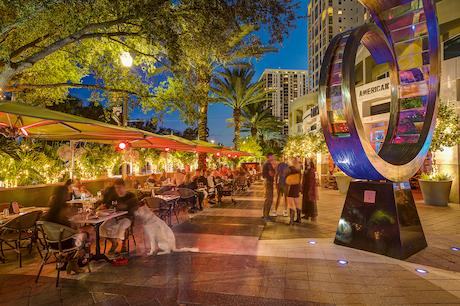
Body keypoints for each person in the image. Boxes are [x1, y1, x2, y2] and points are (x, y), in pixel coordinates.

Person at [46, 186, 94, 273]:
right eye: (68, 192)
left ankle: (72, 260)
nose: (70, 193)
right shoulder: (64, 209)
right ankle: (75, 259)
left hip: (52, 242)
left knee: (87, 231)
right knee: (90, 230)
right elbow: (72, 225)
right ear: (64, 195)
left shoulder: (52, 209)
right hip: (66, 241)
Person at [100, 179, 138, 254]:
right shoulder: (113, 196)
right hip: (115, 217)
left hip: (127, 217)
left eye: (119, 187)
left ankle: (124, 245)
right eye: (116, 187)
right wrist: (104, 206)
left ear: (124, 187)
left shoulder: (130, 195)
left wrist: (125, 206)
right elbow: (108, 205)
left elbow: (135, 208)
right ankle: (114, 243)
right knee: (102, 226)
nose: (117, 189)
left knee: (122, 226)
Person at [285, 157, 302, 225]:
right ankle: (299, 218)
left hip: (290, 187)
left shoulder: (289, 168)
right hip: (296, 187)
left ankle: (291, 220)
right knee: (297, 203)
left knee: (291, 204)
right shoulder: (298, 169)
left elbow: (286, 176)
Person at [262, 152, 275, 221]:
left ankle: (265, 214)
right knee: (269, 199)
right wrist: (275, 169)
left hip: (267, 181)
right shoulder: (268, 164)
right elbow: (271, 173)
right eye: (272, 156)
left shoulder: (265, 163)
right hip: (268, 182)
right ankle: (265, 216)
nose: (273, 157)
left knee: (267, 198)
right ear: (269, 156)